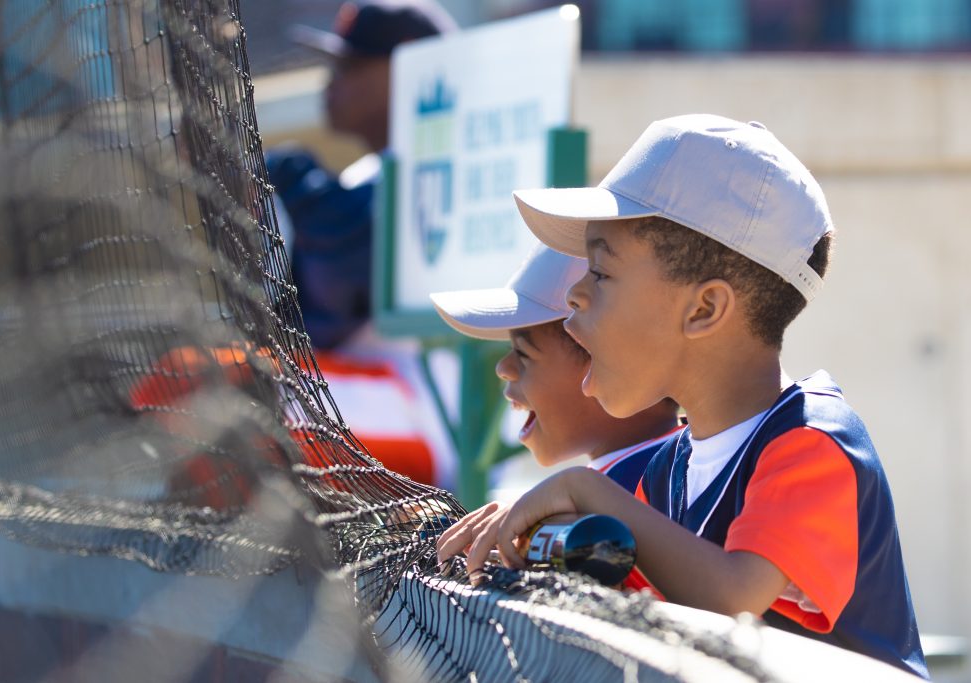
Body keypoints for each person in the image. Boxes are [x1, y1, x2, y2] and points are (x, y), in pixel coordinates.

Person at [437, 114, 928, 678]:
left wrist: (582, 489)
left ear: (704, 310)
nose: (572, 294)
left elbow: (730, 599)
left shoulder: (813, 442)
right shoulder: (670, 466)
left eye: (600, 272)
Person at [266, 1, 460, 488]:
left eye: (351, 66)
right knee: (203, 382)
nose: (330, 81)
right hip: (371, 397)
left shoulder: (446, 169)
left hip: (436, 424)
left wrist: (287, 179)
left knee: (222, 387)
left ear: (410, 72)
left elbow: (339, 296)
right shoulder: (367, 175)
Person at [430, 244, 682, 492]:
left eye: (524, 352)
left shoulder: (661, 488)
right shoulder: (655, 477)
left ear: (609, 362)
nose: (503, 368)